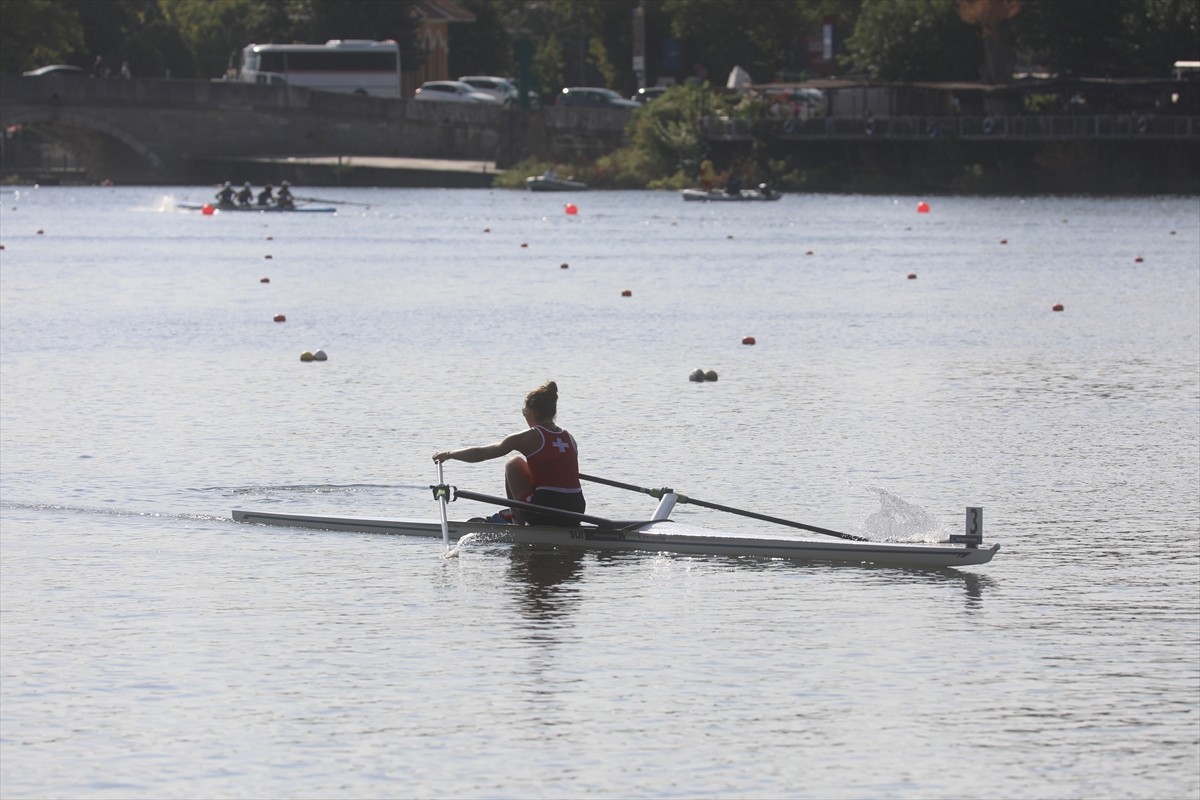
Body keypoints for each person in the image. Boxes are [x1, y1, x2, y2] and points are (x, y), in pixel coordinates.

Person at [432, 381, 585, 525]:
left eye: (524, 412)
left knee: (514, 463)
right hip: (576, 511)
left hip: (543, 512)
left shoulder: (529, 437)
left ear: (532, 412)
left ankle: (516, 521)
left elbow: (482, 453)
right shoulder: (570, 438)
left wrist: (449, 454)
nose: (524, 416)